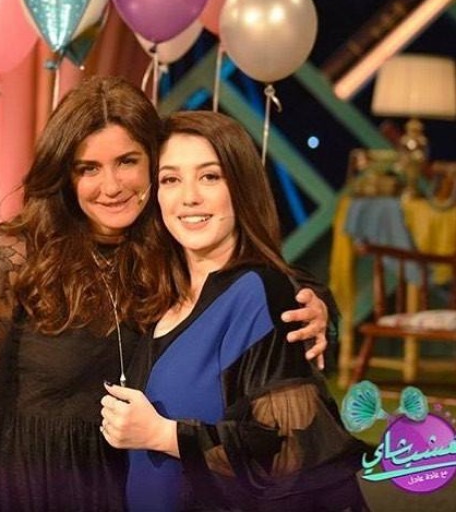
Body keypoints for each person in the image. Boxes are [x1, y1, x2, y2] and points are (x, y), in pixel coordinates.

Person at [0, 78, 332, 512]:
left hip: (133, 481)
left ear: (152, 161)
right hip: (35, 485)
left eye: (127, 161)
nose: (111, 186)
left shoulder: (166, 244)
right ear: (64, 174)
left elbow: (250, 272)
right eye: (88, 168)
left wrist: (317, 303)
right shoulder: (19, 257)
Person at [101, 111, 369, 512]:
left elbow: (290, 452)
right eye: (171, 179)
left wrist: (164, 436)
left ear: (241, 186)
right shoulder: (156, 294)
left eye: (210, 176)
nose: (189, 197)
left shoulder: (261, 292)